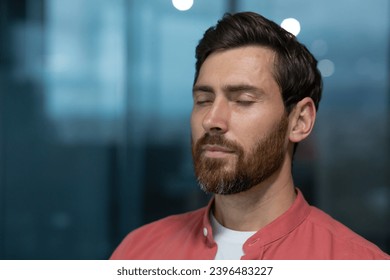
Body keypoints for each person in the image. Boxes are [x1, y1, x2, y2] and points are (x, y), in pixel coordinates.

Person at [110, 12, 390, 260]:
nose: (211, 120)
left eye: (243, 100)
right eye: (204, 100)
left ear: (299, 121)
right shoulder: (137, 253)